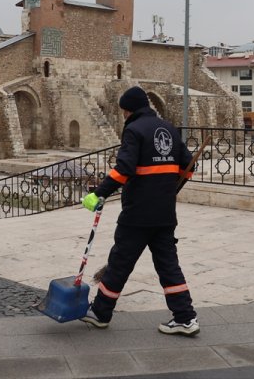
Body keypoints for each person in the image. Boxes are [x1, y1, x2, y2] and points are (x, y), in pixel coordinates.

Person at [80, 85, 199, 336]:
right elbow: (188, 167)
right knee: (168, 265)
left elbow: (124, 169)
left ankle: (100, 313)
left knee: (120, 262)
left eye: (124, 111)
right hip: (165, 213)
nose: (123, 115)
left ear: (129, 109)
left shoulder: (133, 130)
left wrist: (98, 193)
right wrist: (168, 189)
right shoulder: (168, 128)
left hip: (137, 214)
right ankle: (185, 318)